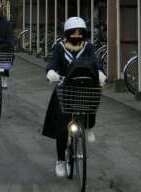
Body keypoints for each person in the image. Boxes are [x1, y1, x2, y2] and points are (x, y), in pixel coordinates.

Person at [42, 16, 107, 178]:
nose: (77, 35)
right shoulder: (59, 47)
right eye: (73, 32)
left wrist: (100, 73)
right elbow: (52, 63)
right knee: (62, 126)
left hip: (84, 87)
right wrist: (51, 72)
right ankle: (60, 160)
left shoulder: (88, 47)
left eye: (80, 33)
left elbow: (96, 63)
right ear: (67, 33)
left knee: (93, 98)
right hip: (65, 89)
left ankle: (89, 126)